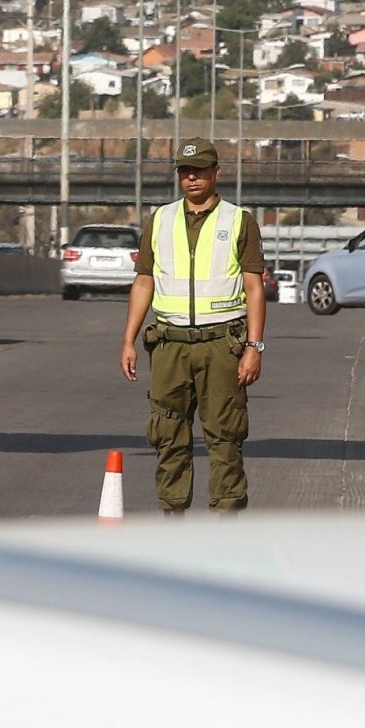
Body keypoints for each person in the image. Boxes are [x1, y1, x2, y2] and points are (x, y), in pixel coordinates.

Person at [120, 138, 267, 514]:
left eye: (200, 171)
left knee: (225, 436)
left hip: (222, 345)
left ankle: (225, 522)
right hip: (170, 346)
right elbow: (144, 282)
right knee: (168, 436)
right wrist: (129, 340)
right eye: (185, 172)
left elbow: (254, 287)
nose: (192, 178)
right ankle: (173, 519)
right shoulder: (160, 220)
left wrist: (255, 346)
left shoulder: (238, 220)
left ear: (216, 173)